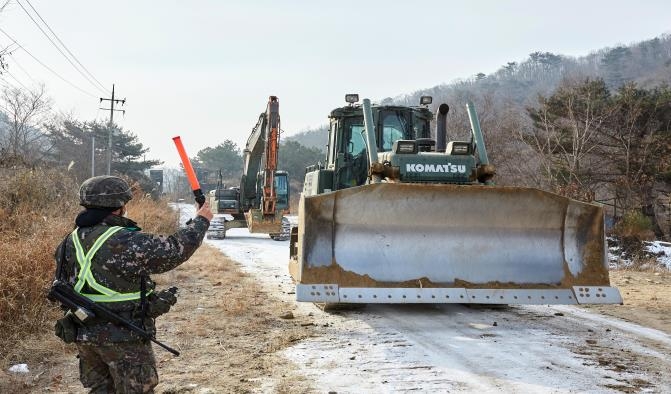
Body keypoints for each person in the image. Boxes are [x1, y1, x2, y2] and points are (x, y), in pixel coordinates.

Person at [52, 175, 212, 393]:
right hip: (124, 338)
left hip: (86, 337)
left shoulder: (70, 240)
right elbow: (175, 249)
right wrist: (201, 220)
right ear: (119, 206)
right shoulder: (123, 240)